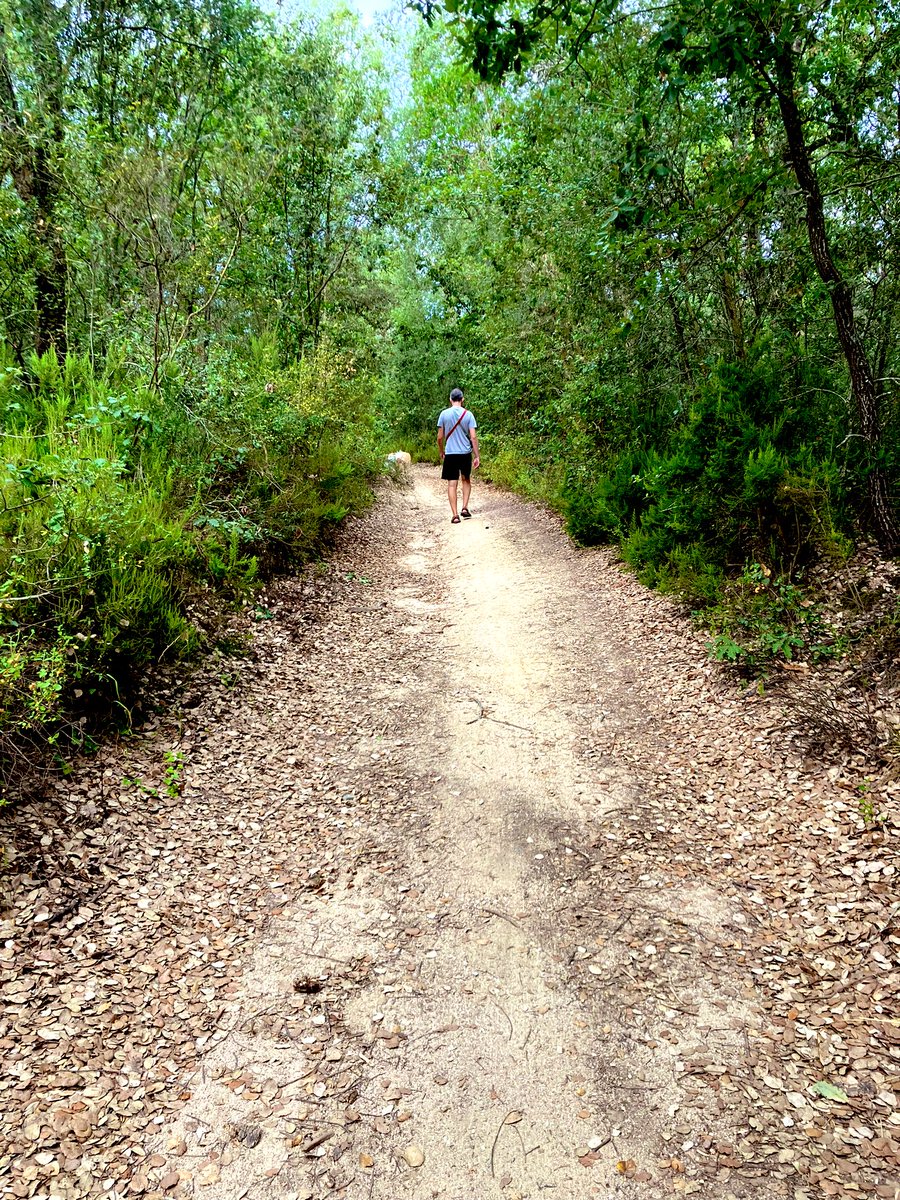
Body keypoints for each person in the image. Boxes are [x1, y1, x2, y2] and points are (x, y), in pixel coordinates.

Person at [436, 387, 480, 524]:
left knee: (451, 484)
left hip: (450, 453)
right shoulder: (469, 414)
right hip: (465, 453)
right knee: (466, 479)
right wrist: (477, 455)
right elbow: (473, 437)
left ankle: (455, 515)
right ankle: (465, 508)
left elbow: (439, 437)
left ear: (450, 399)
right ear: (462, 399)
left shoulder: (443, 414)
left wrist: (441, 451)